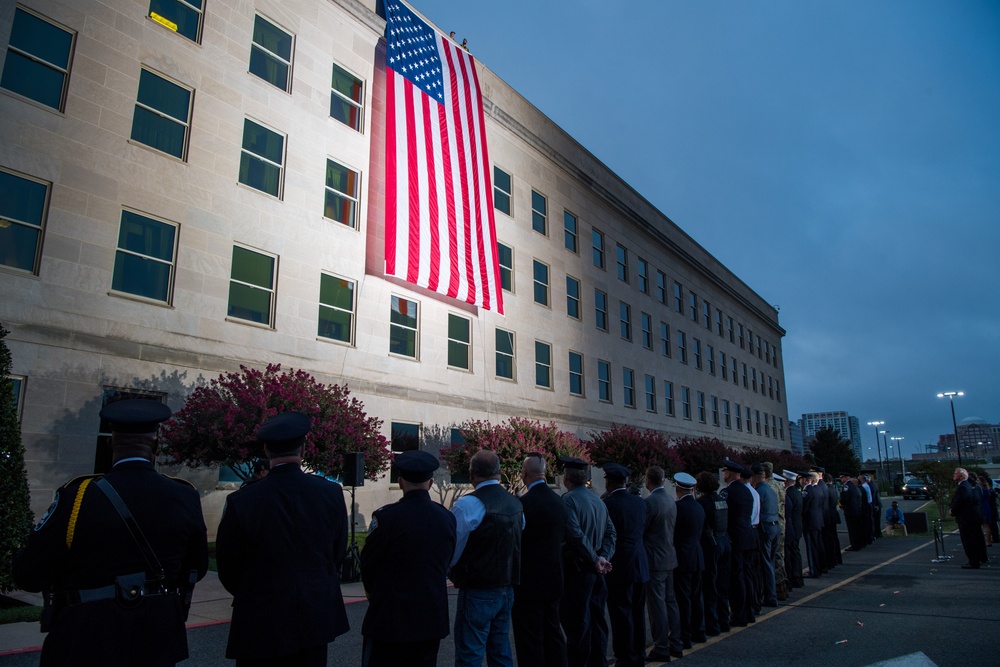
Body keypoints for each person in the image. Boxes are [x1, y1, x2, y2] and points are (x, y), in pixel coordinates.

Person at [13, 399, 208, 667]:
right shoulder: (184, 495)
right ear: (155, 445)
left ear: (109, 444)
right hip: (155, 635)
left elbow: (28, 573)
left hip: (87, 635)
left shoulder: (77, 496)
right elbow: (197, 566)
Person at [216, 411, 350, 666]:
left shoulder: (243, 500)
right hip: (314, 615)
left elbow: (229, 567)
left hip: (261, 617)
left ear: (266, 451)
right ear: (303, 449)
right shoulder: (331, 493)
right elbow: (336, 552)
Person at [360, 450, 456, 667]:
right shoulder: (446, 517)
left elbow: (369, 567)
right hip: (430, 617)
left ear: (401, 482)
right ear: (431, 483)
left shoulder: (386, 517)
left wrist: (375, 595)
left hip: (390, 617)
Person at [449, 449, 524, 667]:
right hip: (507, 586)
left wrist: (453, 570)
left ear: (472, 474)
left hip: (478, 588)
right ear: (499, 473)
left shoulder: (467, 505)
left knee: (470, 653)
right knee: (500, 649)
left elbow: (454, 547)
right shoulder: (516, 504)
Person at [513, 453, 572, 667]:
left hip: (528, 582)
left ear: (524, 474)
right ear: (545, 474)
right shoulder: (559, 502)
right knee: (553, 631)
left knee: (530, 639)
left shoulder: (523, 505)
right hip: (555, 578)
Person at [559, 456, 615, 667]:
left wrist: (595, 560)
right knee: (598, 622)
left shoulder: (569, 500)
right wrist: (603, 558)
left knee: (578, 626)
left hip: (579, 570)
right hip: (596, 571)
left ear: (566, 478)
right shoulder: (597, 500)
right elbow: (611, 533)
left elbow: (575, 535)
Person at [602, 463, 649, 667]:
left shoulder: (609, 504)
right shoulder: (639, 503)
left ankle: (625, 657)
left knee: (621, 614)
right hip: (640, 561)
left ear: (608, 482)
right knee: (638, 612)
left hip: (620, 564)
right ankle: (639, 653)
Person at [642, 466, 682, 662]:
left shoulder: (650, 502)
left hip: (655, 560)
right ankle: (675, 642)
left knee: (657, 606)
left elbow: (643, 529)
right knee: (670, 602)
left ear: (648, 480)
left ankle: (661, 646)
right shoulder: (670, 500)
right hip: (669, 557)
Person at [672, 472, 705, 649]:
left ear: (678, 488)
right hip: (696, 554)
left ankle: (685, 635)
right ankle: (699, 630)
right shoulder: (699, 507)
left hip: (682, 556)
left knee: (683, 598)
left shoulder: (678, 508)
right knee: (696, 595)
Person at [720, 459, 755, 627]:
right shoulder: (747, 491)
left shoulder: (728, 492)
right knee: (747, 575)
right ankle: (749, 610)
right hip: (748, 536)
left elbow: (723, 517)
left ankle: (738, 613)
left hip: (735, 538)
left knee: (736, 577)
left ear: (728, 474)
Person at [695, 470, 729, 635]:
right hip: (724, 541)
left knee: (710, 586)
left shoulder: (703, 502)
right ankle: (724, 620)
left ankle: (712, 624)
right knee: (722, 585)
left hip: (711, 545)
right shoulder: (722, 499)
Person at [752, 464, 779, 608]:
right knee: (771, 562)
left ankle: (770, 596)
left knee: (766, 564)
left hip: (766, 528)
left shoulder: (759, 492)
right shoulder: (770, 490)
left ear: (755, 477)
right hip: (775, 526)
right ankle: (771, 593)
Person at [950, 468, 986, 569]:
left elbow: (960, 501)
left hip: (966, 519)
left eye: (955, 473)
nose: (953, 475)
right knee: (972, 540)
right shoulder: (968, 486)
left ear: (961, 476)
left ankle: (973, 561)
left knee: (969, 541)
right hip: (970, 517)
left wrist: (953, 510)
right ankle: (976, 559)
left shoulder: (963, 487)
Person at [762, 462, 788, 600]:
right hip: (780, 524)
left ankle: (777, 589)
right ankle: (783, 585)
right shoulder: (779, 485)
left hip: (771, 523)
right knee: (780, 556)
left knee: (773, 559)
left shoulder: (767, 487)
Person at [782, 471, 804, 590]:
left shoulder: (788, 494)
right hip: (797, 526)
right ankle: (798, 578)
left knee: (790, 555)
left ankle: (792, 578)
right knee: (796, 553)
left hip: (790, 527)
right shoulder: (797, 492)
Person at [801, 471, 825, 578]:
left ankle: (813, 570)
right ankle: (819, 568)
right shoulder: (818, 489)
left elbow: (804, 508)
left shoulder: (807, 490)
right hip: (818, 521)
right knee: (817, 545)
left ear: (807, 480)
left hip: (810, 522)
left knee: (811, 548)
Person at [840, 473, 864, 550]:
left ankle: (854, 545)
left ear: (846, 478)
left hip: (850, 510)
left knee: (852, 528)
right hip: (856, 509)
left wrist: (842, 505)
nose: (841, 480)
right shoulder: (853, 486)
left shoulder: (846, 486)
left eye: (842, 478)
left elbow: (844, 498)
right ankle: (859, 543)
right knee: (857, 528)